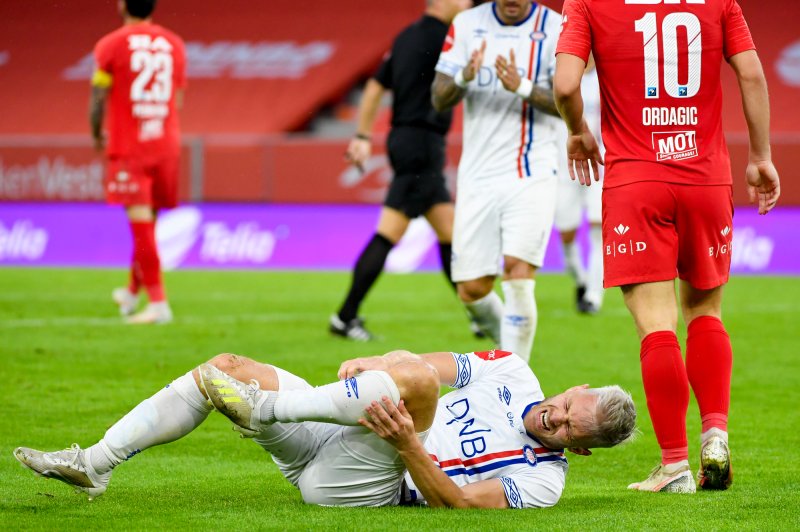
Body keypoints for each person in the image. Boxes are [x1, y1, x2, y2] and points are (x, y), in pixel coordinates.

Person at [554, 0, 780, 493]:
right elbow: (753, 74)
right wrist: (760, 156)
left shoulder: (588, 3)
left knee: (657, 327)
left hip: (637, 181)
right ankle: (715, 432)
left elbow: (566, 83)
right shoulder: (719, 2)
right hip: (705, 178)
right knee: (705, 311)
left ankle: (675, 464)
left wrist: (578, 132)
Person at [14, 348, 636, 508]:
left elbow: (460, 503)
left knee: (413, 390)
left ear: (578, 449)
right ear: (572, 388)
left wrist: (408, 446)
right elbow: (419, 363)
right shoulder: (513, 370)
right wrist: (378, 362)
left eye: (563, 430)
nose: (550, 416)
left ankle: (265, 410)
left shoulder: (543, 482)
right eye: (562, 405)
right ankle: (93, 463)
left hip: (374, 478)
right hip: (344, 427)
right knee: (225, 370)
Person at [330, 0, 475, 341]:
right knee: (390, 232)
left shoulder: (406, 36)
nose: (469, 3)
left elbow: (375, 86)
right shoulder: (449, 38)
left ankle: (477, 312)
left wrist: (364, 135)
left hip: (405, 139)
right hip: (423, 142)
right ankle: (344, 315)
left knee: (448, 231)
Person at [431, 0, 563, 363]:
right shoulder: (467, 24)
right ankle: (511, 347)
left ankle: (513, 380)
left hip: (531, 168)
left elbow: (567, 99)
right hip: (478, 174)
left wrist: (521, 86)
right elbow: (438, 97)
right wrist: (463, 77)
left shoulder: (554, 26)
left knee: (517, 272)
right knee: (471, 289)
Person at [90, 0, 187, 324]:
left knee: (141, 225)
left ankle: (158, 304)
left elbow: (98, 95)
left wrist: (96, 132)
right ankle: (133, 292)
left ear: (122, 5)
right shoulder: (174, 43)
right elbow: (179, 98)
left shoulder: (111, 44)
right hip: (165, 143)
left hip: (131, 146)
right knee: (147, 226)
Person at [554, 65, 604, 315]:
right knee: (566, 236)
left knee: (599, 232)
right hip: (566, 168)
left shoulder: (606, 77)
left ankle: (593, 297)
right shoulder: (562, 76)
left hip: (600, 165)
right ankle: (582, 282)